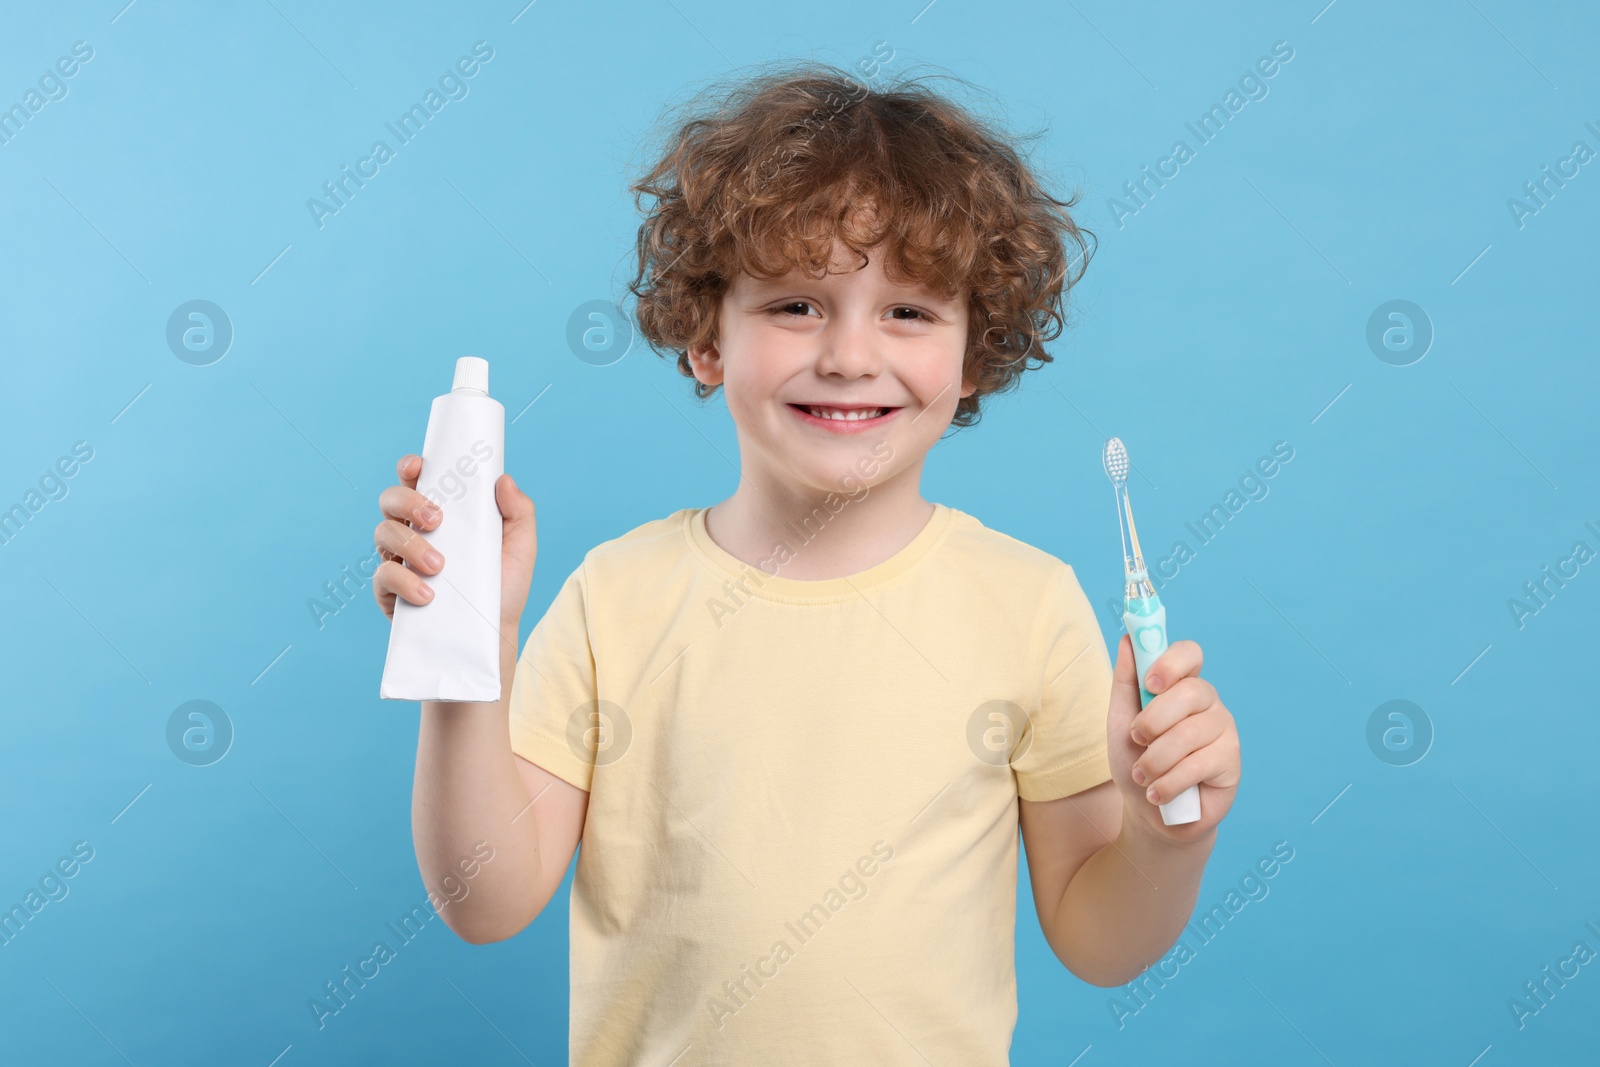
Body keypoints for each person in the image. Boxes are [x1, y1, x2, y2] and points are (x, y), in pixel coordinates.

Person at [371, 61, 1241, 1066]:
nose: (847, 354)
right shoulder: (614, 597)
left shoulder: (1028, 603)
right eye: (795, 305)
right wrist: (466, 654)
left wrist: (1168, 836)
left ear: (971, 356)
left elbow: (1099, 940)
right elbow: (483, 899)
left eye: (908, 312)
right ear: (705, 337)